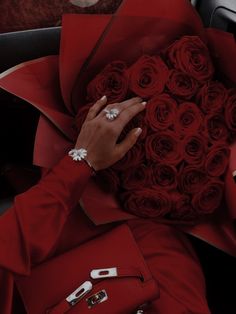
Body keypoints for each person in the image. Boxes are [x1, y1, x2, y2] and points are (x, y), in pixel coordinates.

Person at [0, 96, 211, 313]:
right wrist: (81, 162)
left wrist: (80, 163)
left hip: (67, 233)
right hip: (147, 243)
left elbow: (8, 243)